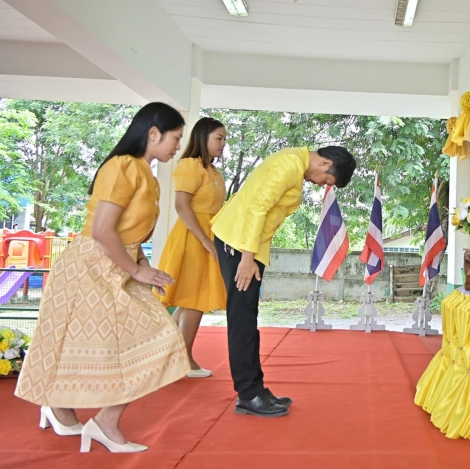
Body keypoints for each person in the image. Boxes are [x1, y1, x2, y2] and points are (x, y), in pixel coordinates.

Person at [15, 103, 190, 453]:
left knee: (159, 339)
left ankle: (82, 415)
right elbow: (101, 230)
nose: (178, 146)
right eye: (176, 137)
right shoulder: (123, 166)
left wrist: (143, 268)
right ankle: (79, 414)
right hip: (89, 268)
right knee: (79, 343)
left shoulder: (147, 175)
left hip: (117, 265)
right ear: (153, 133)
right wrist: (137, 269)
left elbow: (129, 234)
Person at [211, 146, 356, 418]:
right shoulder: (290, 164)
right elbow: (258, 207)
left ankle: (255, 388)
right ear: (325, 163)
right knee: (242, 319)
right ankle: (248, 394)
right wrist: (247, 258)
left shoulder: (294, 163)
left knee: (248, 315)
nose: (320, 184)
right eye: (326, 180)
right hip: (240, 244)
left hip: (247, 245)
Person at [158, 118, 227, 378]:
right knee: (195, 298)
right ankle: (184, 359)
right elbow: (181, 206)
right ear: (202, 137)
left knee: (192, 298)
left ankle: (171, 355)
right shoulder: (190, 165)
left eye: (224, 139)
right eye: (218, 138)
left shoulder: (213, 171)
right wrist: (205, 240)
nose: (223, 143)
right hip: (192, 237)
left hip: (208, 235)